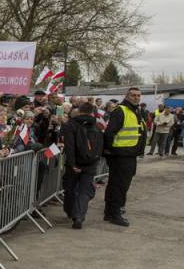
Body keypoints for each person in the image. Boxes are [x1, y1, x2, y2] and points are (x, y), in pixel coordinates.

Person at [103, 87, 147, 226]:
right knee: (120, 186)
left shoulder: (135, 110)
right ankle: (115, 213)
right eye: (133, 95)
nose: (136, 97)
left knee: (116, 185)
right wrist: (110, 152)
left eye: (138, 95)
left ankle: (110, 212)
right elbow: (109, 133)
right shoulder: (121, 110)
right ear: (127, 96)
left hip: (129, 154)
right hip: (121, 155)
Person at [61, 102, 103, 229]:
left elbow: (70, 146)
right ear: (92, 112)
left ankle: (70, 211)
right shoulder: (97, 125)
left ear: (79, 111)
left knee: (70, 188)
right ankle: (79, 216)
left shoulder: (70, 125)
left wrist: (72, 163)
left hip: (75, 163)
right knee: (84, 190)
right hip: (91, 163)